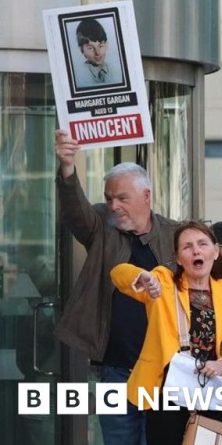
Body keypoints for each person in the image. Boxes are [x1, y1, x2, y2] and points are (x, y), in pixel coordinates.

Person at [52, 129, 178, 445]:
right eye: (109, 198)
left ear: (146, 196)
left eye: (122, 198)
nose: (114, 205)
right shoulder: (101, 225)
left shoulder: (173, 234)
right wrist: (67, 167)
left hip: (165, 371)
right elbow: (75, 213)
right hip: (116, 369)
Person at [109, 221, 222, 444]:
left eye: (202, 244)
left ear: (215, 252)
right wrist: (142, 276)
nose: (196, 251)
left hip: (212, 393)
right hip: (168, 393)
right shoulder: (163, 283)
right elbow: (118, 274)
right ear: (178, 258)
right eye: (187, 246)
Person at [74, 18, 119, 86]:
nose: (97, 53)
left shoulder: (116, 71)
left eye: (100, 46)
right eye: (90, 48)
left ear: (106, 45)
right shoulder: (78, 76)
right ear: (81, 50)